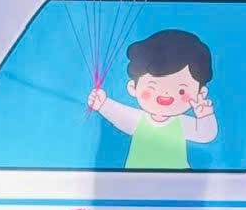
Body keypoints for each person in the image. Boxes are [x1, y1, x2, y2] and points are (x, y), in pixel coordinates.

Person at [87, 28, 219, 170]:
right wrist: (103, 105)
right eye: (152, 87)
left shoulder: (181, 124)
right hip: (136, 179)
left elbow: (205, 135)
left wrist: (205, 115)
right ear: (133, 87)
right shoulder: (139, 120)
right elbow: (120, 115)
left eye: (181, 91)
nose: (166, 93)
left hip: (177, 180)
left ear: (201, 92)